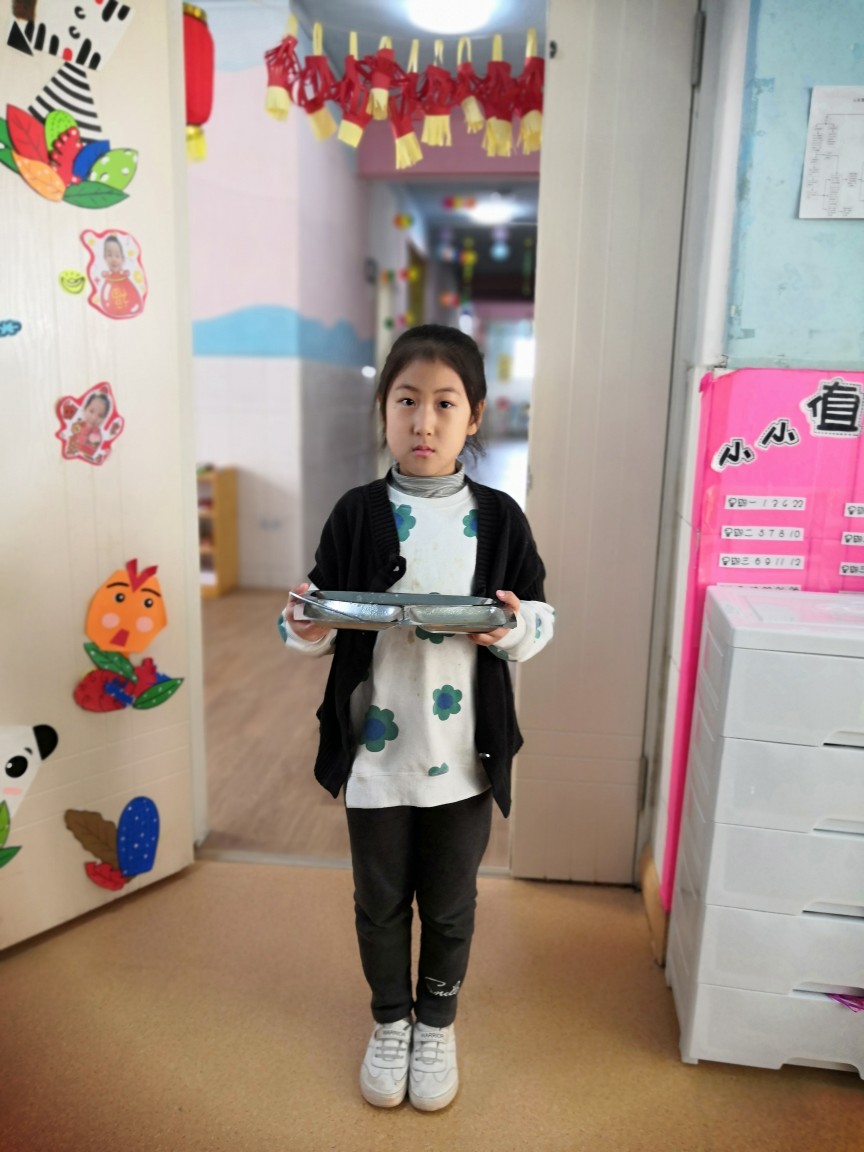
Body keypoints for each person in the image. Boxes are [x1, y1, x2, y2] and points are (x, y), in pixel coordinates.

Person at [279, 324, 554, 1112]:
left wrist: (512, 627)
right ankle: (389, 1020)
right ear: (383, 410)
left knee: (452, 904)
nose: (423, 422)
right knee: (378, 902)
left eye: (444, 404)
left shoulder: (499, 518)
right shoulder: (357, 513)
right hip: (375, 757)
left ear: (475, 417)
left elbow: (538, 619)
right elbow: (317, 611)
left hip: (465, 757)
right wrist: (303, 621)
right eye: (406, 401)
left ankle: (436, 1024)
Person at [99, 234, 143, 318]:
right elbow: (105, 299)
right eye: (109, 255)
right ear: (105, 258)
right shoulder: (107, 279)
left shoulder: (125, 277)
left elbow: (133, 295)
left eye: (117, 256)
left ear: (123, 259)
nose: (114, 259)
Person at [68, 391, 110, 459]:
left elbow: (90, 452)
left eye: (100, 416)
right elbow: (70, 434)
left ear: (104, 419)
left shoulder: (96, 435)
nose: (94, 418)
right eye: (91, 411)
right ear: (85, 409)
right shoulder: (78, 424)